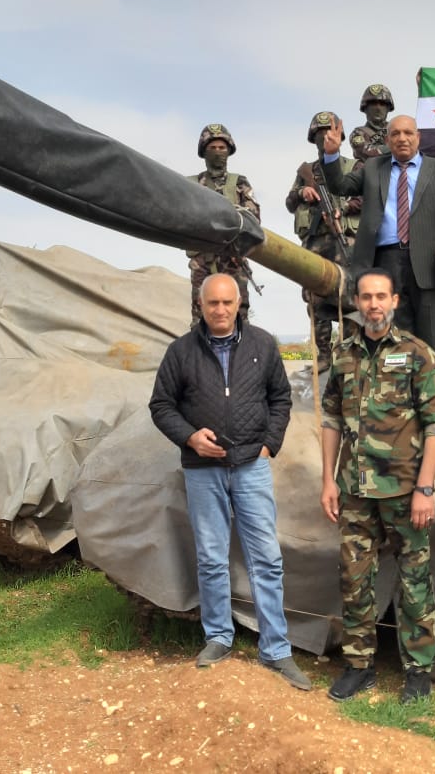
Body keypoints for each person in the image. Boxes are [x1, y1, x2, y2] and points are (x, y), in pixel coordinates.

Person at [148, 274, 311, 691]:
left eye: (227, 302)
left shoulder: (262, 345)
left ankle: (276, 648)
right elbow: (161, 405)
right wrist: (190, 437)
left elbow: (281, 398)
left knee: (266, 558)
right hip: (203, 470)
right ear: (200, 306)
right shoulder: (181, 352)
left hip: (251, 467)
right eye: (212, 303)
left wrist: (269, 444)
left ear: (239, 304)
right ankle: (219, 637)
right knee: (211, 557)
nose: (220, 310)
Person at [320, 268, 435, 704]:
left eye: (381, 296)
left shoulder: (417, 354)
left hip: (405, 492)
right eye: (366, 297)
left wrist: (425, 488)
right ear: (356, 302)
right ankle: (359, 665)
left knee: (414, 581)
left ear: (394, 301)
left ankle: (418, 671)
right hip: (354, 491)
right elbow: (331, 418)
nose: (373, 304)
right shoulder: (343, 354)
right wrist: (328, 480)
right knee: (354, 579)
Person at [320, 116, 435, 364]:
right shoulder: (373, 168)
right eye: (395, 134)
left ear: (418, 137)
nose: (402, 139)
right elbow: (340, 185)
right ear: (387, 140)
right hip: (384, 262)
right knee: (393, 338)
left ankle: (434, 388)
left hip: (427, 263)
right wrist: (331, 154)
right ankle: (397, 387)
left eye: (408, 133)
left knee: (430, 340)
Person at [286, 111, 362, 365]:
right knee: (314, 297)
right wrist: (302, 192)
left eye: (329, 131)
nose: (324, 137)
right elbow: (289, 203)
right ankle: (323, 355)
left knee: (349, 296)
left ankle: (349, 354)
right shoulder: (307, 171)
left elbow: (367, 198)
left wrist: (344, 209)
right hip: (315, 243)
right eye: (319, 133)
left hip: (345, 241)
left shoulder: (354, 167)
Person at [185, 123, 260, 324]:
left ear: (229, 151)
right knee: (200, 314)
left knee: (239, 316)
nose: (218, 152)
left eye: (222, 147)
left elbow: (253, 220)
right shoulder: (191, 185)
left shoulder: (239, 183)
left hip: (233, 260)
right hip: (202, 261)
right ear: (204, 151)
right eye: (212, 148)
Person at [350, 83, 394, 161]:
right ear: (365, 108)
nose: (378, 108)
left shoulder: (396, 128)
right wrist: (395, 147)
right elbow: (365, 151)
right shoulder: (358, 133)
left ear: (388, 108)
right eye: (373, 104)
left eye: (382, 104)